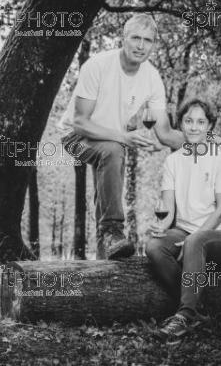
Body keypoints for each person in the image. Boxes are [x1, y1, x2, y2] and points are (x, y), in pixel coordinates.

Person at [58, 14, 184, 260]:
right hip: (75, 136)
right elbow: (80, 121)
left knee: (110, 166)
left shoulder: (152, 78)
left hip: (110, 142)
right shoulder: (97, 65)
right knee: (114, 150)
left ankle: (106, 255)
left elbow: (166, 134)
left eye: (147, 40)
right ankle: (113, 230)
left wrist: (202, 140)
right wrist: (124, 137)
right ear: (123, 39)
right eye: (135, 38)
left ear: (153, 45)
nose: (140, 45)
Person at [145, 98, 221, 339]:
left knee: (195, 242)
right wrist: (160, 226)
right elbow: (167, 208)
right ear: (180, 124)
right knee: (154, 247)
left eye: (201, 122)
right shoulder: (172, 161)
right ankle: (197, 307)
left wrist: (194, 239)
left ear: (209, 126)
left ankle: (185, 316)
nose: (194, 127)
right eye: (188, 121)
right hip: (185, 231)